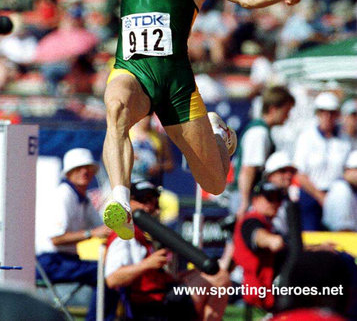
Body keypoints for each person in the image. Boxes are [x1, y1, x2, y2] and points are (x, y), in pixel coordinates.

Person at [60, 0, 303, 240]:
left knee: (215, 183)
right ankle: (119, 199)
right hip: (133, 70)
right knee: (114, 105)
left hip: (175, 83)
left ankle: (221, 136)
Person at [104, 180, 230, 320]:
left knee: (214, 277)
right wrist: (147, 264)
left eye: (154, 202)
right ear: (129, 202)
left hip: (164, 295)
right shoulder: (122, 235)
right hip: (150, 306)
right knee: (219, 279)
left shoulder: (146, 234)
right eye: (143, 200)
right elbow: (112, 279)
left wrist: (175, 277)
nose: (149, 207)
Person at [35, 148, 111, 321]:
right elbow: (56, 239)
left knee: (111, 272)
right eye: (78, 168)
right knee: (108, 275)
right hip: (50, 262)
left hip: (63, 261)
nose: (84, 172)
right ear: (69, 173)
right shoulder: (63, 196)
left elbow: (102, 228)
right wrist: (92, 233)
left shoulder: (82, 198)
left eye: (88, 168)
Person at [293, 92, 351, 230]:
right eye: (323, 112)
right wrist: (320, 197)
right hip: (311, 194)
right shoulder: (306, 137)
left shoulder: (346, 140)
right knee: (311, 236)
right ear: (318, 114)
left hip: (338, 195)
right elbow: (299, 173)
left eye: (331, 113)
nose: (327, 117)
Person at [235, 85, 295, 218]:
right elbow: (248, 169)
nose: (288, 116)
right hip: (247, 198)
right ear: (273, 109)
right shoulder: (259, 133)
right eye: (286, 111)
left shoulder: (262, 131)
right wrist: (244, 203)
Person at [232, 181, 287, 311]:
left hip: (263, 291)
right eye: (269, 199)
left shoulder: (273, 225)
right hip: (245, 291)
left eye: (278, 199)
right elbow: (258, 236)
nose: (274, 203)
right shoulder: (251, 220)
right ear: (256, 200)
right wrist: (269, 240)